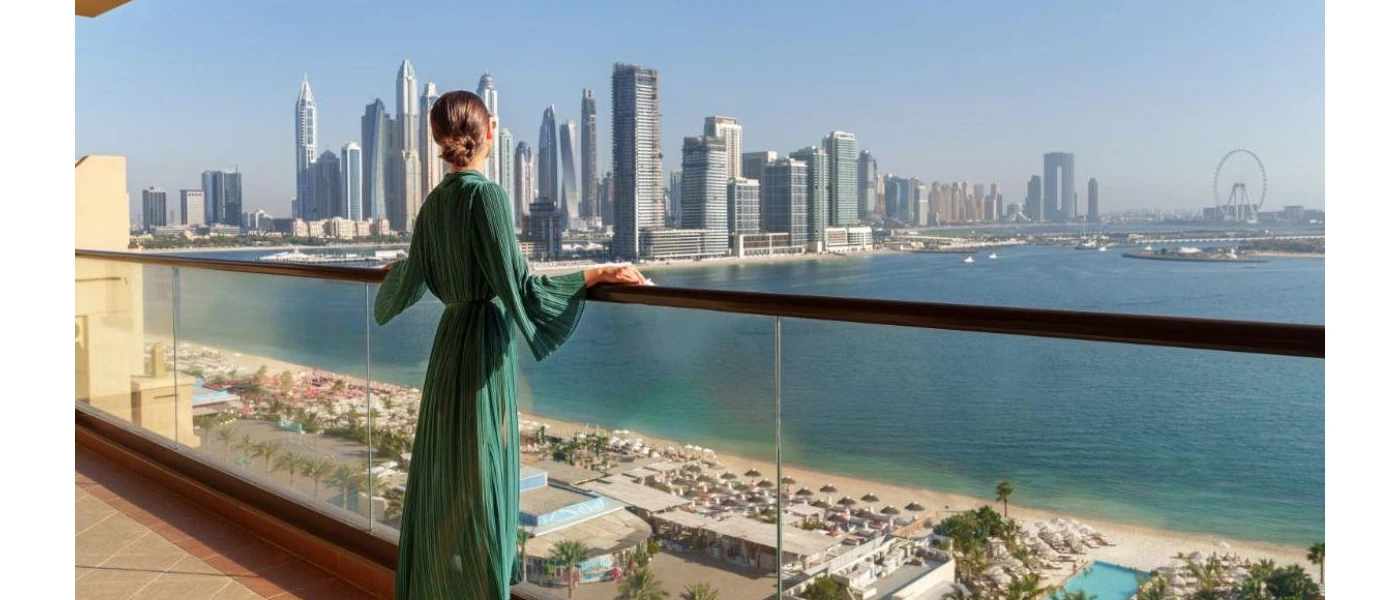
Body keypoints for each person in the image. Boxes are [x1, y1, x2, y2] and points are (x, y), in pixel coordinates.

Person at [374, 90, 645, 599]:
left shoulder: (432, 205)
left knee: (446, 476)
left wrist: (400, 269)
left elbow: (407, 287)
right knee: (484, 479)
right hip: (483, 351)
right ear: (489, 133)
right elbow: (522, 290)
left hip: (447, 349)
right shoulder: (489, 197)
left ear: (436, 139)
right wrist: (596, 272)